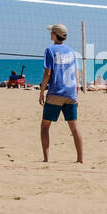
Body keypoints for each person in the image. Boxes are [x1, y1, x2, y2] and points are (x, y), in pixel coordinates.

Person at [40, 24, 82, 162]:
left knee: (45, 126)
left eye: (51, 32)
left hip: (56, 92)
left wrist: (41, 91)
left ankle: (46, 159)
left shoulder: (50, 50)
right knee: (74, 128)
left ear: (54, 34)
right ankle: (80, 159)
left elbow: (48, 72)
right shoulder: (71, 52)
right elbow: (76, 73)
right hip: (70, 93)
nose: (49, 34)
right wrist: (76, 92)